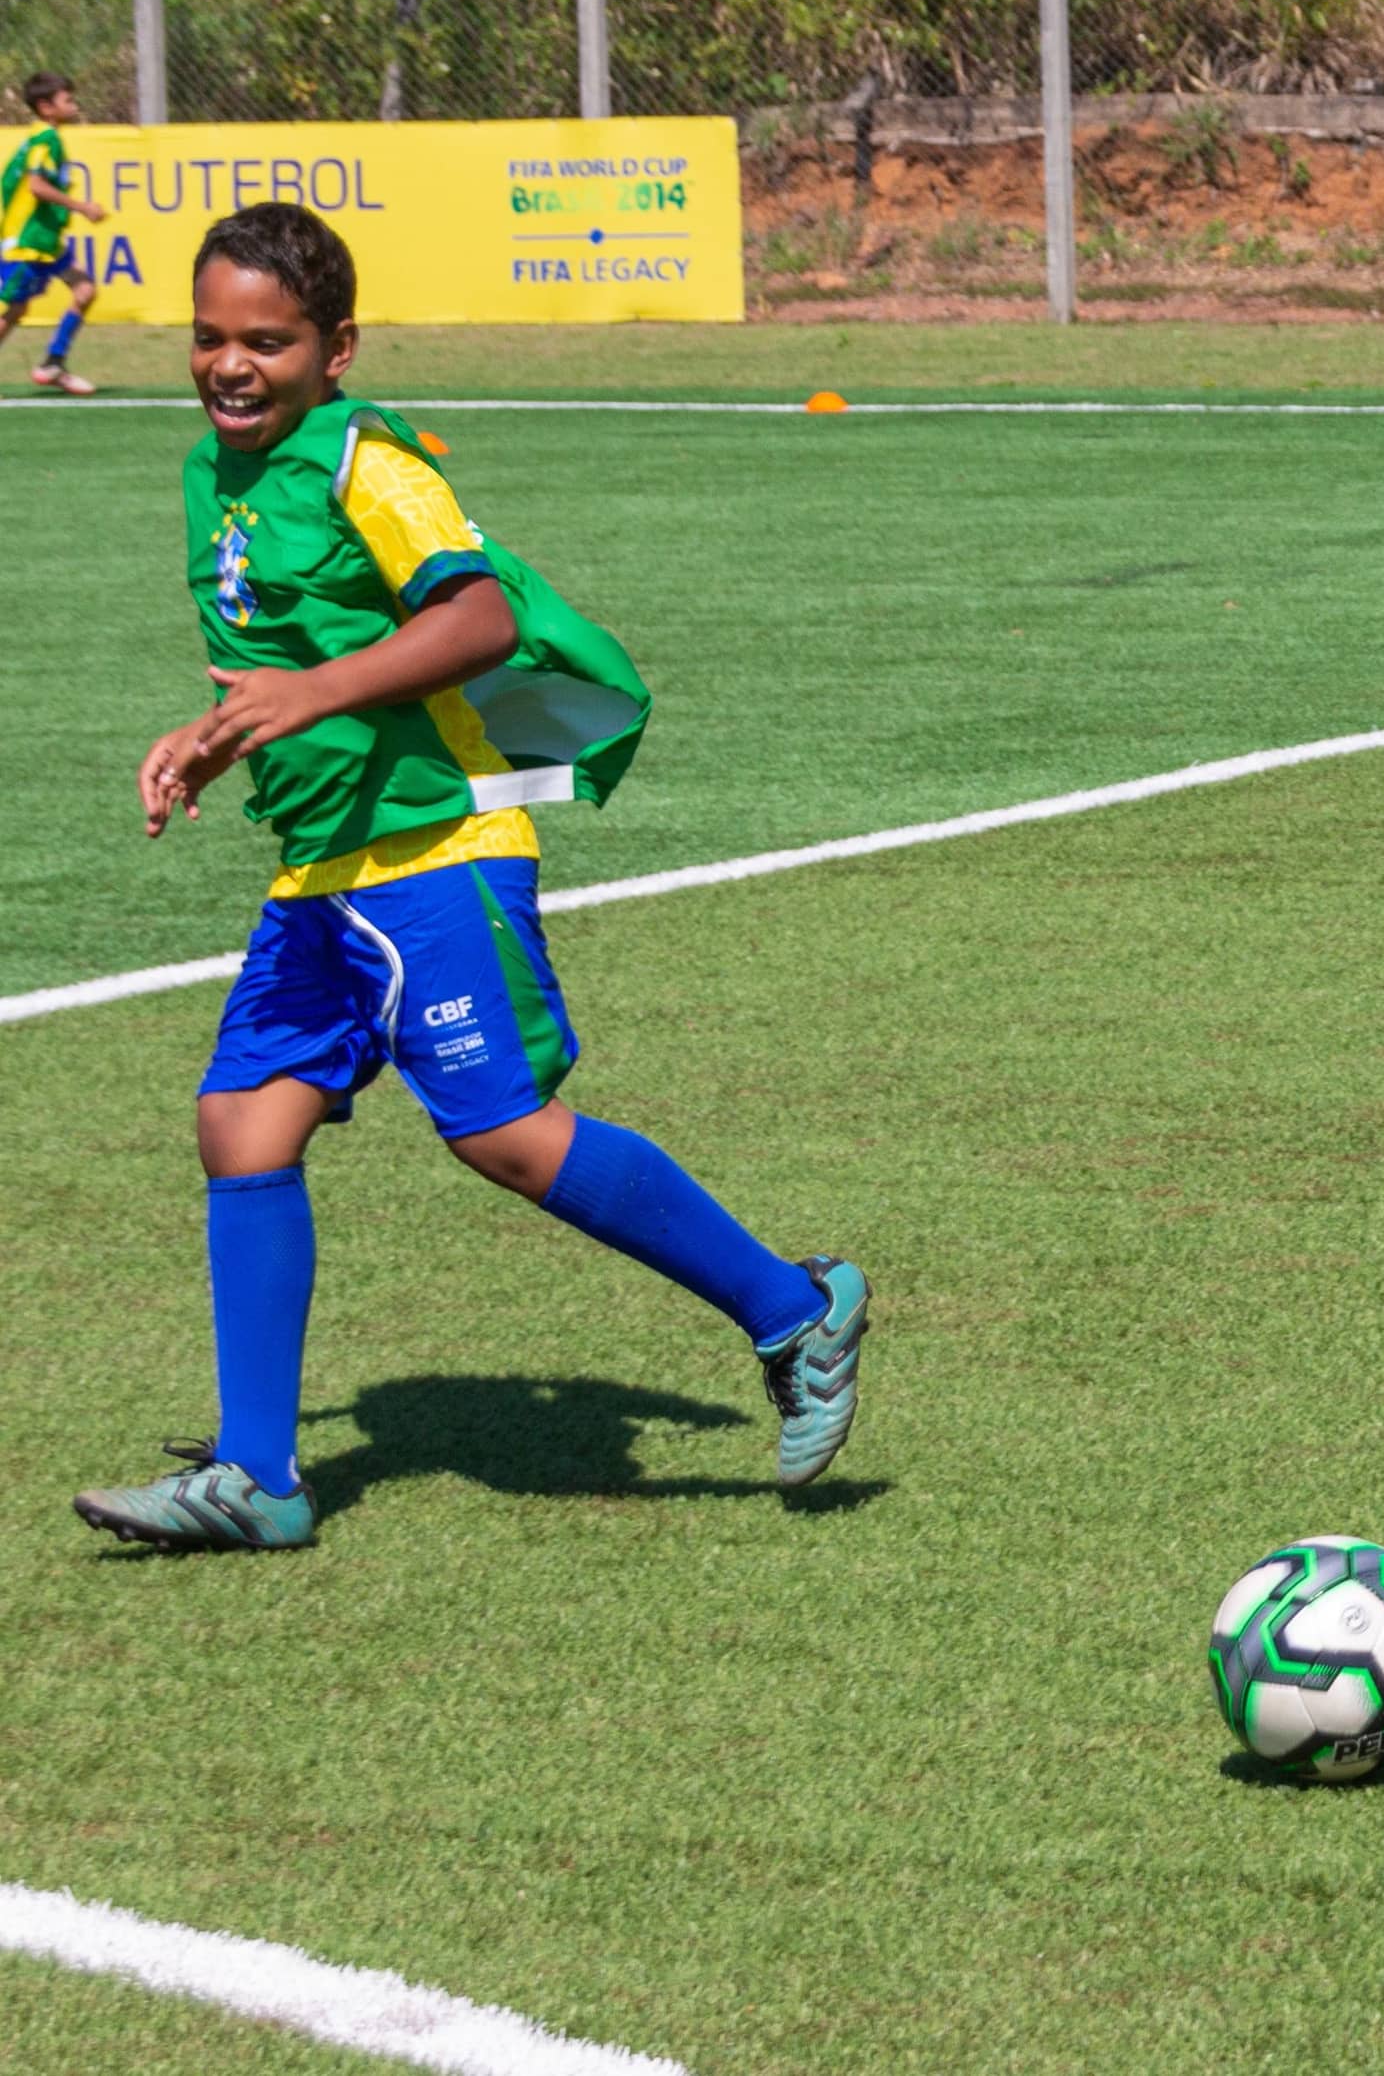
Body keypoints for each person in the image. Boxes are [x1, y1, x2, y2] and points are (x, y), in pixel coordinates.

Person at [72, 204, 871, 1553]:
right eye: (208, 335)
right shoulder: (214, 474)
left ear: (337, 346)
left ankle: (796, 1307)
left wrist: (313, 690)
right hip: (320, 866)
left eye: (267, 340)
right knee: (241, 1128)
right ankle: (259, 1477)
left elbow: (477, 614)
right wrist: (214, 742)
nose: (230, 363)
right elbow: (273, 672)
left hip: (435, 850)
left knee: (499, 1132)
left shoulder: (367, 464)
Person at [1, 70, 107, 395]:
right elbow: (36, 186)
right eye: (67, 100)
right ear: (46, 107)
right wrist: (81, 207)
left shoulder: (44, 138)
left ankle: (53, 362)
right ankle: (53, 362)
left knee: (84, 289)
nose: (73, 105)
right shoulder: (46, 139)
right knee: (15, 310)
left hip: (46, 241)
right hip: (28, 243)